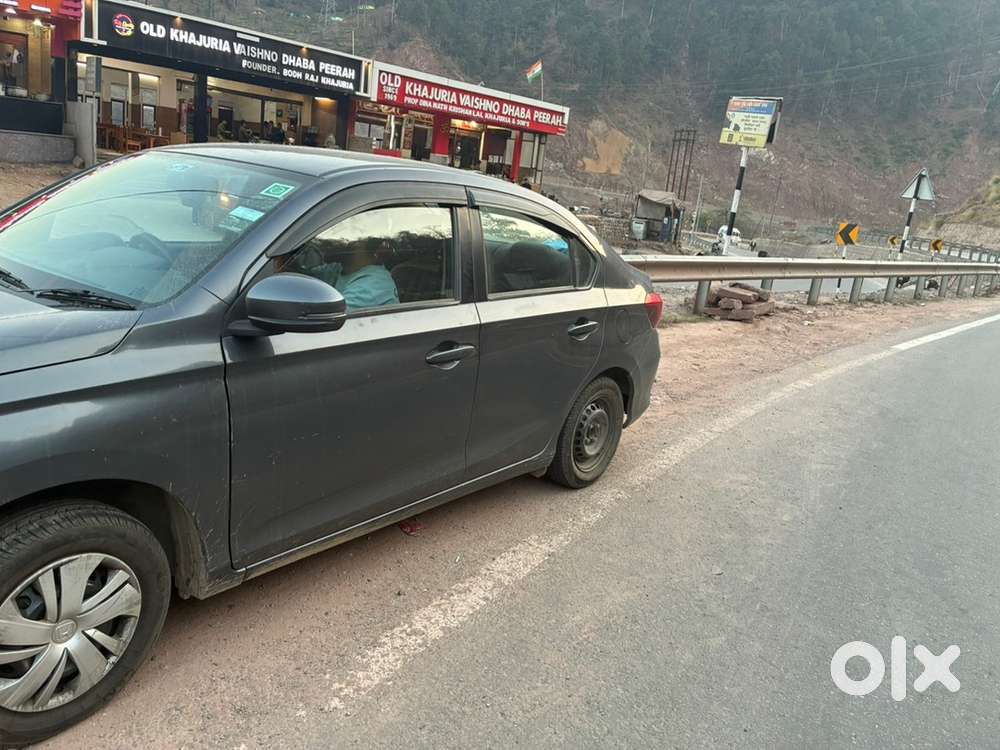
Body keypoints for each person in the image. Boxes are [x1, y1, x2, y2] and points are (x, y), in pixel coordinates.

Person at [279, 237, 398, 310]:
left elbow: (330, 314)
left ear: (370, 252)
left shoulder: (374, 283)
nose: (342, 243)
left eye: (352, 241)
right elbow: (303, 277)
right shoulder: (340, 268)